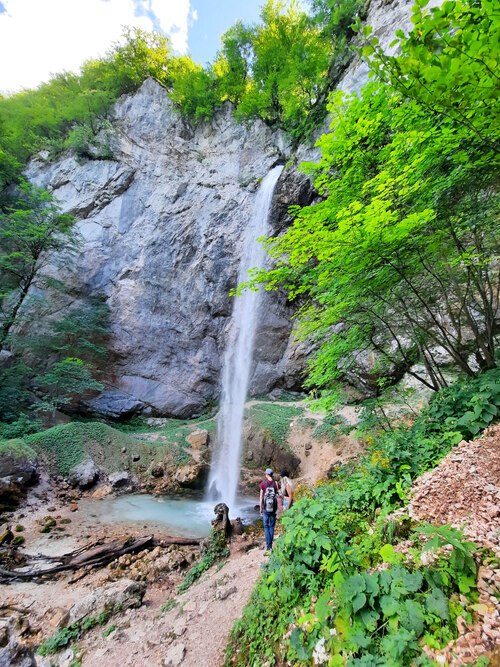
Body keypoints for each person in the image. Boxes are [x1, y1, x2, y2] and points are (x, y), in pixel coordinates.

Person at [259, 468, 278, 552]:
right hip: (273, 508)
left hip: (266, 508)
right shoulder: (276, 484)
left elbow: (261, 497)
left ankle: (268, 547)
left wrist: (260, 508)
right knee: (271, 526)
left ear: (266, 474)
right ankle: (270, 546)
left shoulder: (263, 484)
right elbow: (278, 496)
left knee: (266, 526)